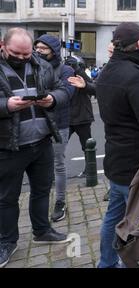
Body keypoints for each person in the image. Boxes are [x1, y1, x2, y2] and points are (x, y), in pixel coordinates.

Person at [0, 28, 71, 268]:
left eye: (26, 53)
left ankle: (42, 230)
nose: (21, 58)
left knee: (42, 190)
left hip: (41, 142)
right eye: (15, 53)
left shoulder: (42, 65)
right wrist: (6, 106)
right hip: (9, 147)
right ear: (3, 45)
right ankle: (7, 242)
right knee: (7, 198)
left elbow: (62, 89)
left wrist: (52, 99)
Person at [96, 22, 139, 268]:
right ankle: (129, 263)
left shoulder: (108, 71)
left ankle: (106, 263)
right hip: (138, 166)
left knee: (113, 218)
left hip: (116, 161)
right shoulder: (136, 75)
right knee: (138, 225)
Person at [34, 35, 76, 222]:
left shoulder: (65, 69)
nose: (39, 51)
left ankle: (60, 202)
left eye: (43, 48)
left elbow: (67, 92)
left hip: (58, 124)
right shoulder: (31, 67)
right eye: (37, 48)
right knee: (37, 167)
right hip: (35, 123)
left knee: (58, 164)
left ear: (53, 50)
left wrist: (50, 98)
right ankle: (38, 203)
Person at [65, 56, 96, 180]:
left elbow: (91, 86)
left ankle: (89, 171)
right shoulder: (62, 73)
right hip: (67, 117)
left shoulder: (81, 73)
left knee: (87, 146)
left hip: (82, 117)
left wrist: (77, 69)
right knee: (59, 146)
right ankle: (53, 173)